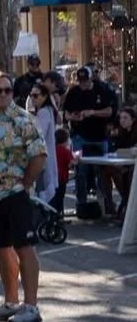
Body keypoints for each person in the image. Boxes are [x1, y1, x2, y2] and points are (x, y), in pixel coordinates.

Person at [0, 72, 47, 322]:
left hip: (14, 193)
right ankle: (10, 302)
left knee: (24, 248)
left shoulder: (23, 120)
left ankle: (31, 306)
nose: (3, 95)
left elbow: (39, 156)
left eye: (8, 90)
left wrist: (25, 185)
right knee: (1, 248)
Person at [63, 66, 118, 214]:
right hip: (80, 135)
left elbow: (110, 111)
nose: (83, 84)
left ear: (91, 78)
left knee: (102, 171)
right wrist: (73, 117)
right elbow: (66, 114)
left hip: (99, 136)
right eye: (80, 81)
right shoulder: (73, 92)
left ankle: (106, 203)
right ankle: (81, 204)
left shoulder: (102, 90)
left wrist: (92, 112)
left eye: (86, 81)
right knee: (81, 171)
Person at [26, 83, 59, 209]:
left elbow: (39, 134)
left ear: (44, 96)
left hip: (42, 158)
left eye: (36, 95)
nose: (33, 98)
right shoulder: (45, 111)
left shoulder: (44, 112)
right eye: (31, 96)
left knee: (42, 191)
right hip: (44, 156)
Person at [54, 127, 73, 218]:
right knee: (61, 197)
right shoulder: (66, 151)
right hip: (62, 177)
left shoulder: (54, 149)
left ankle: (54, 214)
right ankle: (60, 215)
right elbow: (70, 164)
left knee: (55, 197)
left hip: (54, 176)